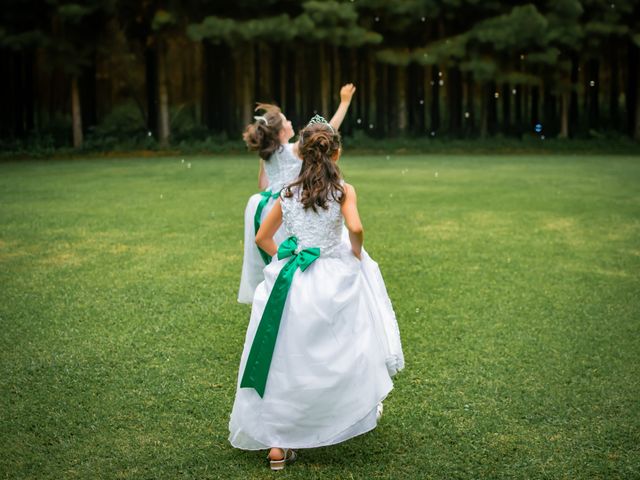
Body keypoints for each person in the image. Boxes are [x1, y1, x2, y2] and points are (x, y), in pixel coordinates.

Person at [229, 116, 400, 471]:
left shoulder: (287, 192)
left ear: (303, 154)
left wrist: (285, 255)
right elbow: (355, 227)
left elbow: (262, 237)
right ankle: (338, 411)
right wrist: (354, 253)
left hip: (290, 278)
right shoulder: (343, 190)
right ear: (336, 153)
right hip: (331, 273)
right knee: (340, 346)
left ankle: (278, 445)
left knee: (284, 357)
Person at [237, 85, 357, 304]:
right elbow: (326, 132)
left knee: (275, 256)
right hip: (291, 204)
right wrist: (344, 103)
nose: (291, 122)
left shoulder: (268, 153)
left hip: (265, 206)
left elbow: (263, 183)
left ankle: (271, 292)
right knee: (297, 256)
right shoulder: (294, 149)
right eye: (286, 121)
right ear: (282, 132)